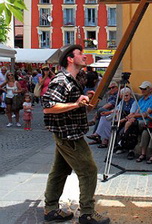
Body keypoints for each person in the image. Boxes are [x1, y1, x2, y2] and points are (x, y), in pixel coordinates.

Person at [42, 44, 110, 224]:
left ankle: (50, 209)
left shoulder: (71, 80)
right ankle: (87, 213)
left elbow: (68, 102)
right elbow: (49, 107)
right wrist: (76, 104)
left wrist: (83, 98)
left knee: (60, 171)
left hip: (68, 133)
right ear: (70, 59)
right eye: (80, 54)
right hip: (69, 135)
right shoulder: (61, 80)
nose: (84, 56)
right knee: (89, 170)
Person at [116, 81, 152, 160]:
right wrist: (131, 116)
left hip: (146, 120)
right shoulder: (141, 99)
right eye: (141, 89)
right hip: (137, 119)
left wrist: (134, 116)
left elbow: (146, 114)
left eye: (144, 89)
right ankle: (126, 146)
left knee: (131, 124)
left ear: (150, 90)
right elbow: (136, 111)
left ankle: (123, 141)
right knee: (128, 124)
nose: (142, 90)